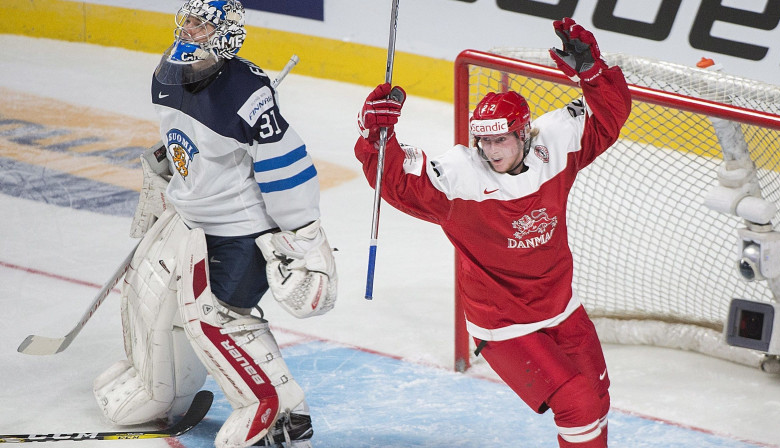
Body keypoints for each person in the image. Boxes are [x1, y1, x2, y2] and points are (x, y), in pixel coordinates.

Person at [354, 18, 631, 448]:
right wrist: (375, 135)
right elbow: (399, 183)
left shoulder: (554, 144)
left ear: (524, 132)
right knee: (576, 401)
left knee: (596, 395)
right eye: (484, 141)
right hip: (503, 322)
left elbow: (608, 118)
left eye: (501, 140)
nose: (491, 150)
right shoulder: (460, 175)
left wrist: (593, 74)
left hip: (560, 304)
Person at [92, 1, 337, 447]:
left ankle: (281, 411)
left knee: (218, 319)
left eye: (201, 24)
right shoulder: (166, 73)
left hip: (239, 230)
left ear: (225, 34)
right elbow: (185, 140)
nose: (189, 29)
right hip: (189, 217)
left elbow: (286, 164)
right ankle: (155, 388)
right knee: (148, 294)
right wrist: (168, 169)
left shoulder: (247, 92)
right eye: (187, 19)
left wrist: (304, 235)